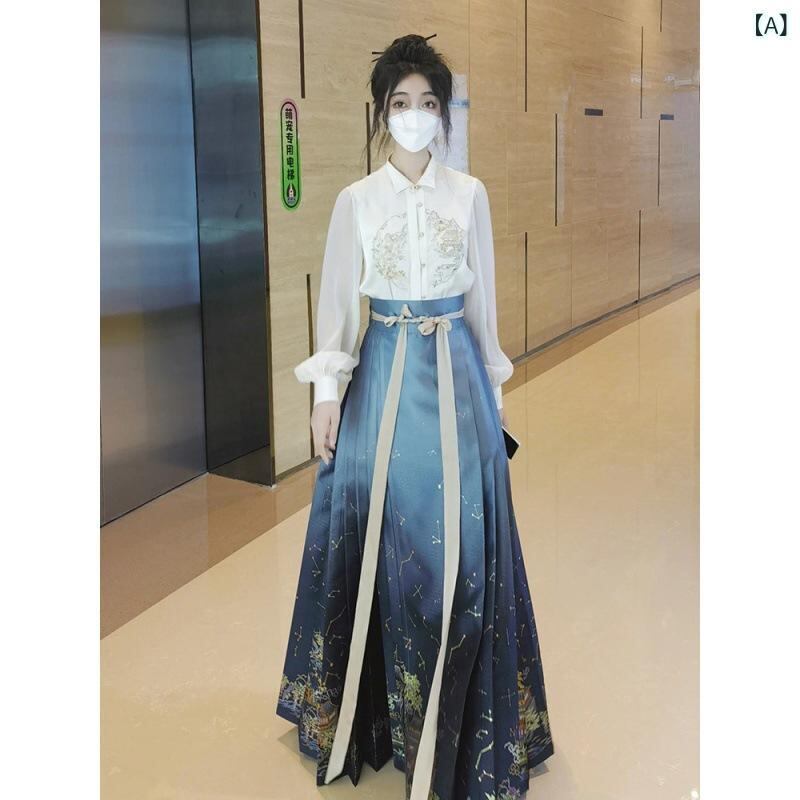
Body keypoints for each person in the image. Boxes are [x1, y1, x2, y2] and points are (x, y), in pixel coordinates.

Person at [276, 33, 554, 800]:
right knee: (383, 541)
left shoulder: (470, 194)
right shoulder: (356, 202)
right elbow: (339, 305)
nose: (414, 114)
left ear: (444, 113)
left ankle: (462, 723)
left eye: (427, 102)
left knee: (464, 549)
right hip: (384, 382)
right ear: (380, 114)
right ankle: (385, 720)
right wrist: (326, 398)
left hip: (457, 379)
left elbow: (482, 305)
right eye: (400, 103)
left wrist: (494, 400)